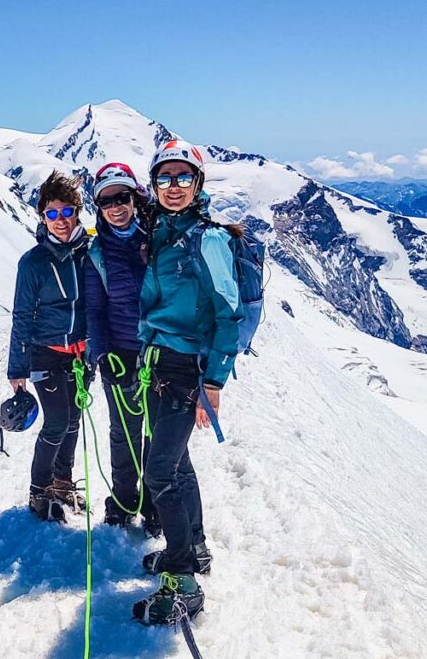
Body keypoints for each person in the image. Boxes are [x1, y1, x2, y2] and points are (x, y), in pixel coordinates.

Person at [131, 139, 243, 625]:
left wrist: (213, 382)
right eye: (165, 178)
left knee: (159, 472)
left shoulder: (207, 239)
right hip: (158, 364)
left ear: (197, 184)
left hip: (186, 371)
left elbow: (229, 313)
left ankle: (184, 584)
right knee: (175, 465)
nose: (173, 187)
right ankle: (192, 547)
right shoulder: (161, 232)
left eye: (182, 178)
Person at [7, 170, 91, 522]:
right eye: (51, 213)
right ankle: (39, 490)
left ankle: (62, 483)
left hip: (83, 355)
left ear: (77, 212)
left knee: (73, 420)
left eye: (66, 211)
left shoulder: (89, 253)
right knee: (57, 421)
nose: (60, 220)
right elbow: (22, 315)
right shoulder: (33, 263)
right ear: (42, 216)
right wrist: (17, 368)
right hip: (46, 353)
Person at [82, 162, 161, 536]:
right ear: (98, 207)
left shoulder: (158, 238)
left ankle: (155, 504)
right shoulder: (97, 252)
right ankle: (124, 501)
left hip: (159, 352)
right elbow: (94, 309)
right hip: (120, 355)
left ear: (135, 198)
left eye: (122, 197)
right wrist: (101, 354)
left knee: (157, 435)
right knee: (124, 433)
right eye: (107, 201)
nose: (115, 207)